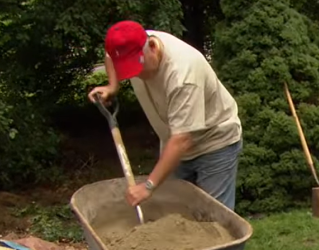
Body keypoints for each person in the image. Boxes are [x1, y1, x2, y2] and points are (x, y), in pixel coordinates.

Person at [88, 20, 243, 210]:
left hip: (214, 142)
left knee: (215, 219)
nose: (139, 76)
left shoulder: (183, 75)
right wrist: (112, 86)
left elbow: (182, 140)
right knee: (176, 213)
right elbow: (110, 56)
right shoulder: (128, 42)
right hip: (174, 141)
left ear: (152, 47)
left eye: (138, 68)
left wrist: (148, 186)